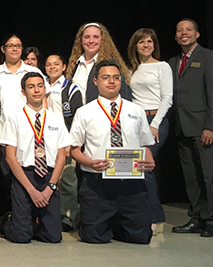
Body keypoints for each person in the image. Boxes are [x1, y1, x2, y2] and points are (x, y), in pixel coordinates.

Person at [69, 60, 156, 244]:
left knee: (141, 237)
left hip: (131, 182)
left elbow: (145, 144)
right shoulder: (85, 112)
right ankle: (102, 222)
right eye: (106, 77)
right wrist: (89, 163)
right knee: (94, 237)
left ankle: (116, 222)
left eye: (116, 77)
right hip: (97, 182)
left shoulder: (136, 110)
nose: (112, 81)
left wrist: (150, 162)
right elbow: (74, 149)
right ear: (96, 81)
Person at [169, 19, 213, 238]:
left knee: (209, 176)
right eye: (179, 30)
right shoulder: (174, 61)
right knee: (191, 177)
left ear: (197, 34)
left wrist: (211, 126)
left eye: (188, 30)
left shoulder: (210, 58)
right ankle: (196, 218)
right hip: (183, 128)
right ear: (175, 36)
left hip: (204, 128)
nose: (184, 33)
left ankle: (212, 220)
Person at [0, 72, 70, 243]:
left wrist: (50, 187)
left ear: (45, 90)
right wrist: (31, 190)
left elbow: (61, 157)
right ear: (23, 92)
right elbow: (10, 157)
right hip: (24, 176)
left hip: (48, 177)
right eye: (31, 87)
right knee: (21, 237)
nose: (36, 90)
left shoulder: (56, 119)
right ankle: (6, 223)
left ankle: (29, 224)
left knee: (53, 237)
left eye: (40, 86)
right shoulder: (14, 118)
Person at [126, 28, 173, 235]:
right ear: (135, 46)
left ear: (155, 45)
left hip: (154, 119)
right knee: (134, 168)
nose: (146, 45)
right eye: (141, 42)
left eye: (149, 42)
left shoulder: (162, 67)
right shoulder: (132, 69)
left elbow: (167, 98)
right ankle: (140, 214)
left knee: (145, 166)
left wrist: (155, 124)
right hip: (135, 120)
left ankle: (156, 218)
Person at [44, 53, 81, 231]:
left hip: (64, 141)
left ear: (64, 66)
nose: (52, 67)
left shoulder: (72, 88)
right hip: (43, 142)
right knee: (48, 179)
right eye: (48, 64)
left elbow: (77, 119)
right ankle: (48, 216)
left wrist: (70, 143)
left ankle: (67, 216)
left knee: (67, 180)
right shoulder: (40, 84)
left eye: (56, 64)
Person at [0, 34, 48, 139]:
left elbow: (43, 100)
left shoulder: (33, 71)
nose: (14, 49)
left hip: (31, 130)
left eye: (18, 46)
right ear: (3, 49)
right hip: (2, 131)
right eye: (10, 46)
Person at [65, 23, 132, 103]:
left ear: (103, 40)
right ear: (80, 40)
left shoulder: (110, 64)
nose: (91, 41)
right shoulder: (74, 65)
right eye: (87, 37)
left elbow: (124, 94)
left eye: (96, 37)